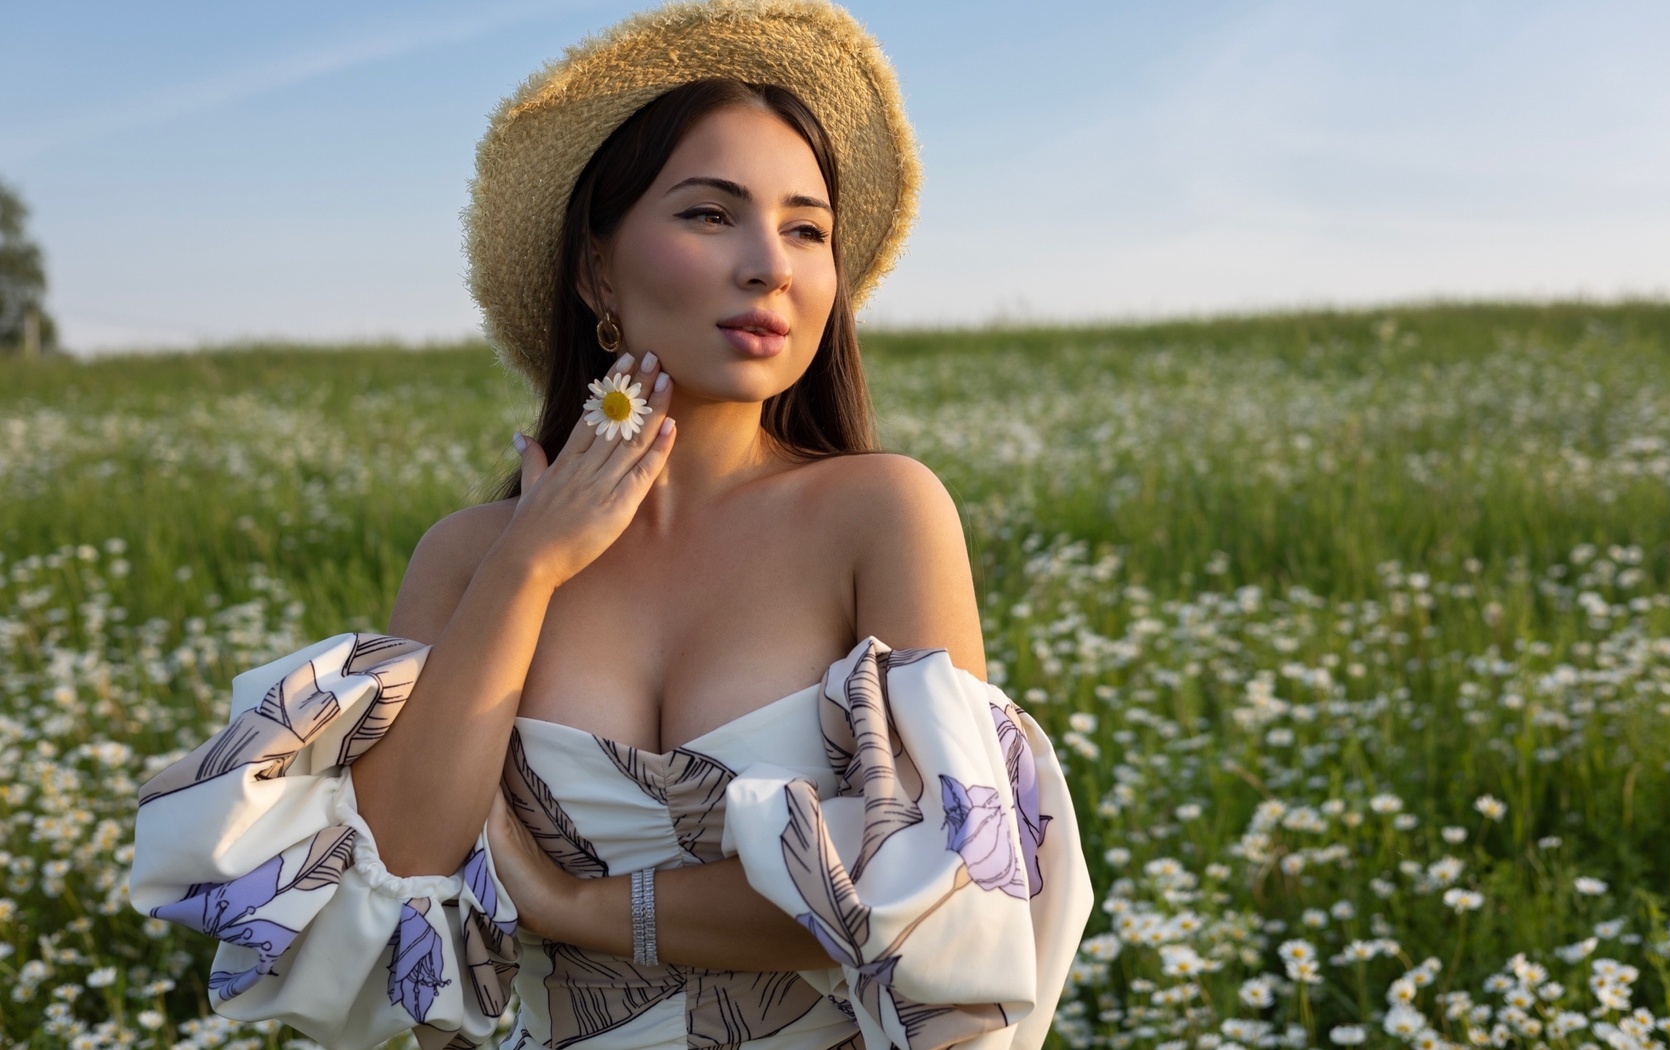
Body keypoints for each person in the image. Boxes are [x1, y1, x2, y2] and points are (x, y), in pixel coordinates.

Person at [128, 2, 1094, 1048]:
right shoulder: (468, 556)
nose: (770, 263)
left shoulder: (882, 513)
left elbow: (942, 895)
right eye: (710, 215)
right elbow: (396, 882)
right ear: (596, 270)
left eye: (807, 228)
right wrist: (530, 563)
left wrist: (580, 908)